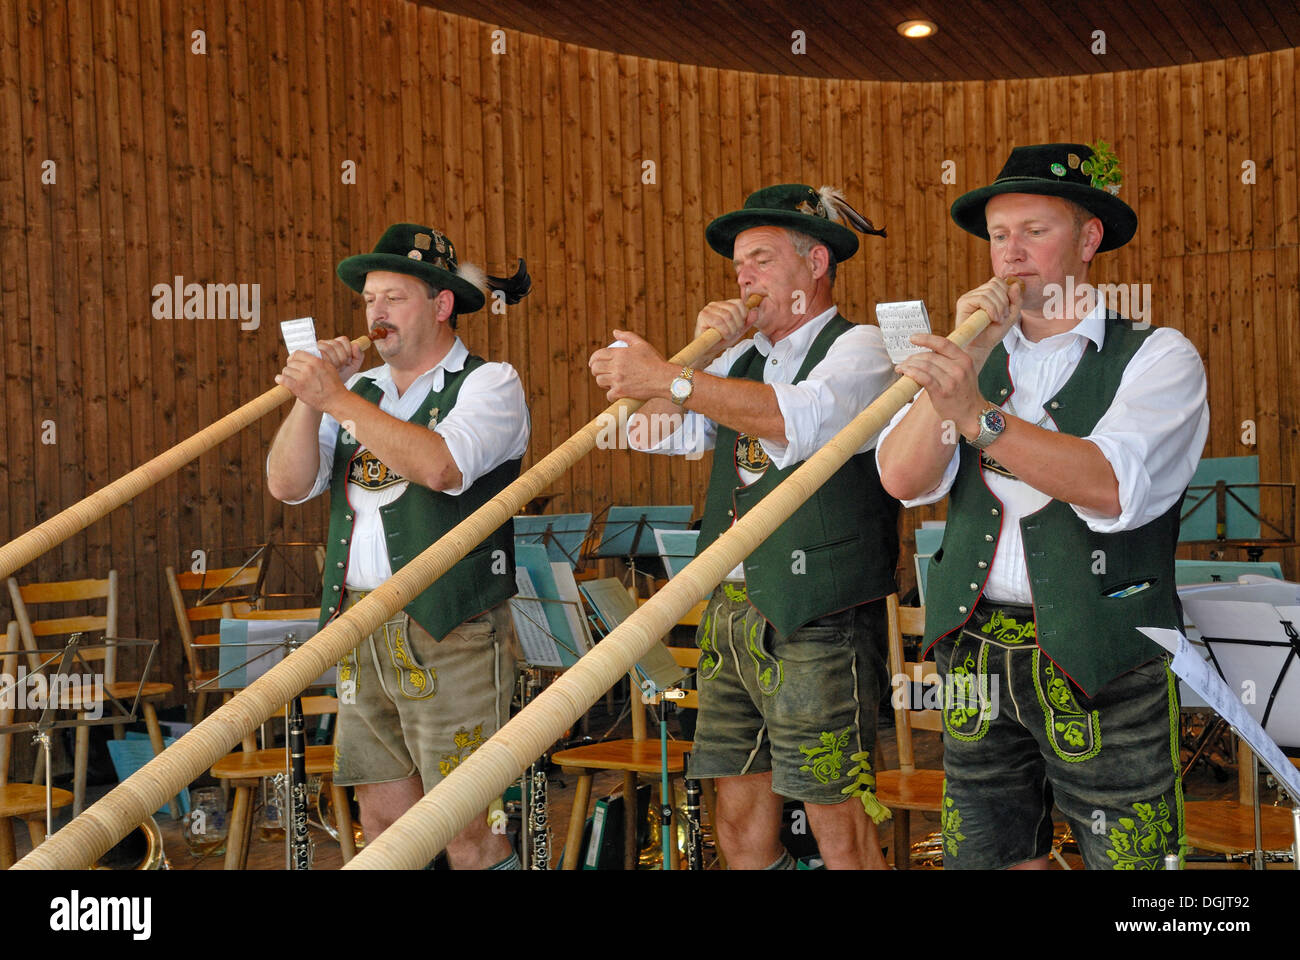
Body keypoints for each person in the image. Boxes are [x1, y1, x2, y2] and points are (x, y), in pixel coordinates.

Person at [877, 142, 1209, 870]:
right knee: (983, 856)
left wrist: (978, 415)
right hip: (974, 650)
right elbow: (902, 480)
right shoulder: (974, 358)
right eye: (999, 235)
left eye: (1035, 230)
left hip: (1106, 648)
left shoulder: (1158, 355)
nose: (1011, 253)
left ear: (1089, 240)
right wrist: (956, 384)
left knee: (1131, 865)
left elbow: (1110, 484)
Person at [589, 184, 900, 869]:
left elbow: (801, 419)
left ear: (816, 264)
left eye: (760, 259)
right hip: (728, 607)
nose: (743, 277)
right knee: (734, 816)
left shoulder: (864, 348)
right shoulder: (737, 360)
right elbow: (649, 431)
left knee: (837, 819)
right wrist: (693, 361)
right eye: (738, 266)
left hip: (820, 610)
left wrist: (673, 377)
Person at [266, 222, 531, 869]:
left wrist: (340, 400)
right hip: (361, 621)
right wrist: (311, 401)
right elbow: (286, 483)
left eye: (394, 298)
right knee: (383, 823)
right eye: (369, 300)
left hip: (453, 626)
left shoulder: (488, 383)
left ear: (442, 305)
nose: (375, 314)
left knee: (468, 828)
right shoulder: (359, 393)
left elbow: (441, 468)